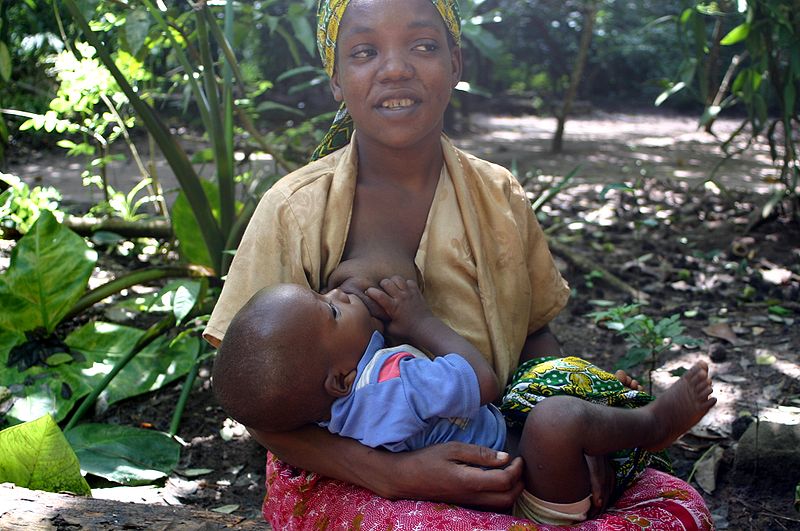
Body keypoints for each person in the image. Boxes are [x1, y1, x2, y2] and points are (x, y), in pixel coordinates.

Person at [204, 0, 717, 527]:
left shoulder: (499, 195)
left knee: (676, 511)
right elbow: (258, 398)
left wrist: (574, 438)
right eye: (364, 51)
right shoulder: (294, 208)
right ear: (336, 79)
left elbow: (536, 334)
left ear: (456, 63)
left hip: (501, 457)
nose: (396, 67)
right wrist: (392, 473)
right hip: (352, 479)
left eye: (423, 46)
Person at [213, 275, 716, 525]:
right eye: (330, 310)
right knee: (555, 420)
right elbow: (483, 380)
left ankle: (611, 418)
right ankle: (652, 424)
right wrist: (419, 321)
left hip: (502, 466)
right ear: (342, 379)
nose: (339, 294)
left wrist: (344, 324)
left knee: (552, 391)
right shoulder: (394, 388)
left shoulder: (334, 412)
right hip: (530, 492)